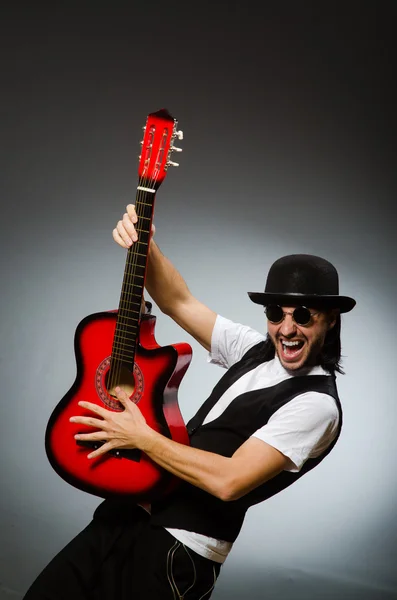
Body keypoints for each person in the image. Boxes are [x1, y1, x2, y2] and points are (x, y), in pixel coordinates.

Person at [23, 204, 356, 600]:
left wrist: (141, 437)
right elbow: (177, 301)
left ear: (331, 319)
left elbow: (229, 481)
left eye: (303, 315)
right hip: (124, 517)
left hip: (177, 551)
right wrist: (144, 241)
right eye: (274, 312)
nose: (286, 328)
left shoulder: (317, 406)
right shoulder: (253, 349)